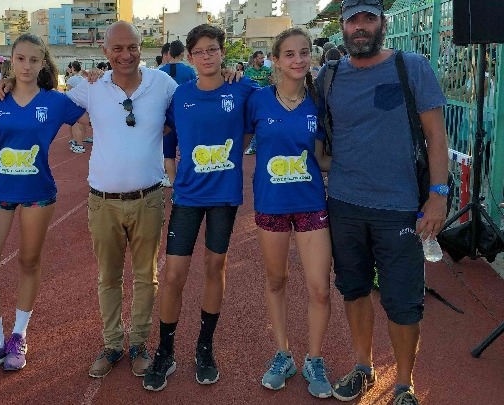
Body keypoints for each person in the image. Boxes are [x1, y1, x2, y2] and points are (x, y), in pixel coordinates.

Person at [315, 1, 449, 404]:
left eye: (368, 19)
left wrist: (438, 196)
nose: (360, 27)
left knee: (404, 302)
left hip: (400, 208)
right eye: (353, 20)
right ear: (342, 27)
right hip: (344, 204)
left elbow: (436, 137)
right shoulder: (329, 75)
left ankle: (404, 385)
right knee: (353, 289)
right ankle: (363, 367)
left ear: (382, 24)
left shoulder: (412, 67)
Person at [0, 33, 88, 378]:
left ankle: (18, 336)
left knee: (28, 262)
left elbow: (94, 116)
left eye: (34, 60)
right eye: (21, 59)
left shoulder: (56, 101)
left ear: (43, 63)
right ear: (11, 61)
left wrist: (99, 85)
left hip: (38, 192)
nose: (27, 66)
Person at [143, 23, 258, 392]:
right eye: (199, 52)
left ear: (223, 52)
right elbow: (169, 132)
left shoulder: (242, 89)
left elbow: (254, 123)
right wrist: (170, 166)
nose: (206, 56)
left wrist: (234, 151)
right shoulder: (181, 95)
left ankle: (204, 349)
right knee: (173, 274)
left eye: (213, 49)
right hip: (188, 196)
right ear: (190, 58)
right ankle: (165, 351)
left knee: (214, 267)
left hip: (224, 197)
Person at [66, 21, 177, 379]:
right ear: (105, 51)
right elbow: (42, 97)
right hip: (103, 202)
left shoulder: (163, 84)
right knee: (108, 277)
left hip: (149, 198)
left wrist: (229, 75)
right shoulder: (91, 87)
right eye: (117, 48)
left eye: (132, 47)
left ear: (141, 47)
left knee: (147, 276)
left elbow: (197, 100)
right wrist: (1, 86)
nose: (125, 55)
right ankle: (113, 344)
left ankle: (139, 343)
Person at [248, 27, 333, 399]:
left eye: (304, 52)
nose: (299, 60)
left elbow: (322, 158)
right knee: (276, 280)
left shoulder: (319, 102)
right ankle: (283, 354)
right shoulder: (256, 101)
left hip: (312, 203)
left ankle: (314, 359)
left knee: (320, 288)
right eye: (289, 54)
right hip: (271, 205)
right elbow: (234, 141)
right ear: (276, 60)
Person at [159, 39, 197, 188]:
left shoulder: (160, 72)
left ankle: (174, 186)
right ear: (182, 53)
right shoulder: (189, 71)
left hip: (167, 118)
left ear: (169, 53)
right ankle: (187, 184)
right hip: (186, 118)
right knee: (186, 153)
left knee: (168, 155)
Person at [243, 50, 272, 154]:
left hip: (265, 101)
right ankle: (252, 145)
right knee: (251, 124)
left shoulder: (268, 71)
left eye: (263, 58)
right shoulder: (248, 72)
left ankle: (255, 146)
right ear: (255, 59)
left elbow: (273, 83)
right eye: (260, 58)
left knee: (263, 123)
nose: (262, 60)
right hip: (251, 102)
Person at [66, 60, 87, 154]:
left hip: (73, 104)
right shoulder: (83, 79)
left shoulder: (71, 79)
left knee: (75, 124)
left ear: (73, 68)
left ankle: (79, 144)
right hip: (82, 103)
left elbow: (68, 92)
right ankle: (81, 139)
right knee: (81, 123)